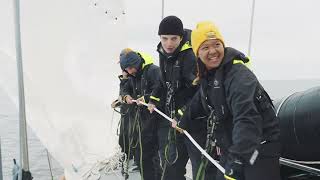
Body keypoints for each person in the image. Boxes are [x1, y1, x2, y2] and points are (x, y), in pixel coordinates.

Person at [177, 21, 281, 180]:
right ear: (197, 53)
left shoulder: (239, 76)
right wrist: (182, 119)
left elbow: (246, 118)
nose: (213, 51)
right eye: (205, 47)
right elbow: (199, 100)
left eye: (216, 44)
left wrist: (237, 162)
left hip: (258, 147)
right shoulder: (210, 75)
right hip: (232, 145)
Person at [148, 15, 198, 180]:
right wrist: (153, 100)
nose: (169, 43)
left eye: (174, 39)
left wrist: (182, 114)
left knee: (200, 171)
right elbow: (163, 82)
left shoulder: (191, 56)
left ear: (181, 38)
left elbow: (199, 92)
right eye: (165, 38)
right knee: (170, 170)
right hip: (172, 121)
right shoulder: (163, 54)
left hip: (194, 123)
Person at [120, 49, 162, 180]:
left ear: (137, 63)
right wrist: (126, 96)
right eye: (127, 69)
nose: (130, 71)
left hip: (154, 119)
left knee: (149, 156)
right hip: (141, 121)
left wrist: (147, 98)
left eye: (132, 68)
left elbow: (161, 89)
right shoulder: (132, 76)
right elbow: (126, 88)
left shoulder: (153, 71)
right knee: (140, 155)